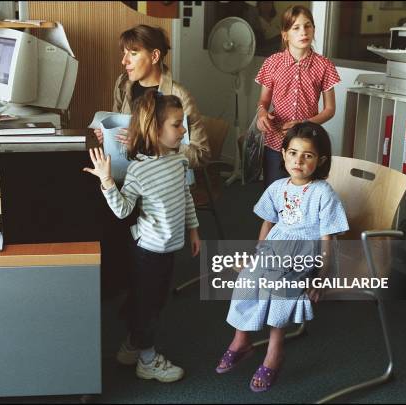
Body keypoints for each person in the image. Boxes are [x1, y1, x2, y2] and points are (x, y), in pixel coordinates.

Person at [216, 122, 348, 392]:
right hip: (276, 249)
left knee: (279, 283)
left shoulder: (323, 192)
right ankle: (241, 340)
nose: (298, 161)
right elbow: (267, 223)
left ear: (320, 160)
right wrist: (258, 254)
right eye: (293, 153)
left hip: (308, 253)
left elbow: (327, 238)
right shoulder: (277, 187)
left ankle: (275, 352)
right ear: (284, 153)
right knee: (248, 276)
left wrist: (322, 275)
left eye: (307, 155)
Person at [84, 90, 201, 383]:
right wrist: (108, 181)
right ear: (155, 129)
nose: (183, 130)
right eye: (176, 124)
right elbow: (123, 211)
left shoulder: (178, 161)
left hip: (168, 249)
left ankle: (132, 346)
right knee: (148, 306)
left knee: (151, 301)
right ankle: (147, 360)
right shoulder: (139, 171)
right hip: (148, 252)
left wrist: (194, 229)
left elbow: (186, 196)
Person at [95, 24, 210, 169]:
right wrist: (107, 135)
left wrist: (150, 142)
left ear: (154, 56)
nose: (124, 61)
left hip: (163, 182)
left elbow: (201, 155)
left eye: (133, 53)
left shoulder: (180, 96)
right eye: (124, 53)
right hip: (127, 175)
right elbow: (119, 130)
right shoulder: (123, 84)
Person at [255, 5, 340, 186]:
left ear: (314, 29)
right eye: (296, 27)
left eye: (308, 26)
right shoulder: (272, 63)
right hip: (276, 143)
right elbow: (263, 101)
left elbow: (330, 109)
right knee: (275, 194)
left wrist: (304, 124)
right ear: (285, 34)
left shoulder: (324, 65)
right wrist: (262, 114)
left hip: (308, 145)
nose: (304, 32)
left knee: (306, 196)